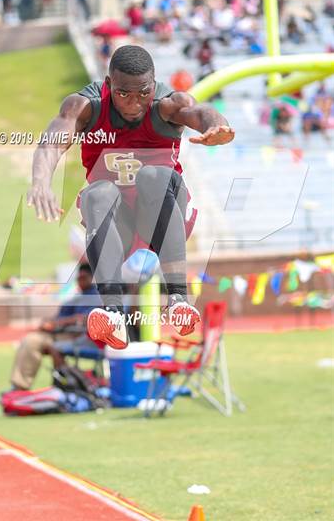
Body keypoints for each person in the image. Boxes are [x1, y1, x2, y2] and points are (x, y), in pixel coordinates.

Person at [27, 45, 234, 350]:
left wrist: (216, 124)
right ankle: (112, 312)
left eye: (143, 93)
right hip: (117, 224)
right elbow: (53, 139)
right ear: (109, 86)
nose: (134, 103)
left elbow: (199, 111)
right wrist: (41, 181)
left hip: (164, 214)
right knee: (97, 193)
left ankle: (178, 299)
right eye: (124, 94)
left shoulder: (166, 104)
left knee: (153, 176)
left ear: (153, 85)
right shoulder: (86, 106)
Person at [9, 263, 102, 391]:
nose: (80, 281)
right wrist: (48, 323)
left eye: (84, 277)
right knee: (30, 339)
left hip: (78, 336)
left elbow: (85, 318)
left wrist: (57, 323)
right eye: (78, 278)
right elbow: (59, 317)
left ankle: (64, 385)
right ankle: (19, 387)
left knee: (39, 343)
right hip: (59, 334)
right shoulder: (76, 298)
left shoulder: (96, 296)